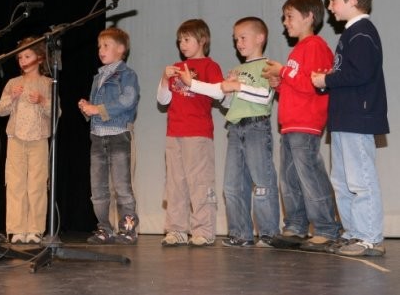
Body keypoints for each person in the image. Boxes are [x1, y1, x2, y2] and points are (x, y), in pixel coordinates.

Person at [180, 17, 279, 248]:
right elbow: (226, 103)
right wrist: (227, 90)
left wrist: (238, 87)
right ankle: (240, 233)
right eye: (236, 40)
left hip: (256, 127)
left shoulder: (268, 66)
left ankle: (268, 233)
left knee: (262, 182)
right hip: (235, 129)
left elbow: (265, 98)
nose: (239, 44)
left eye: (243, 38)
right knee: (232, 185)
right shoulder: (237, 69)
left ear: (260, 38)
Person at [311, 0, 388, 257]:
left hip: (359, 118)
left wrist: (326, 80)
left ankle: (369, 237)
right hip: (344, 119)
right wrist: (330, 76)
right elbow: (349, 72)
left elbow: (361, 72)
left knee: (360, 179)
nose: (329, 7)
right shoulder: (350, 34)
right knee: (342, 181)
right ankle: (353, 232)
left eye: (332, 1)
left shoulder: (363, 32)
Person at [261, 0, 341, 251]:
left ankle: (327, 228)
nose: (285, 22)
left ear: (309, 17)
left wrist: (283, 71)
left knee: (310, 176)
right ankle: (296, 225)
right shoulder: (298, 50)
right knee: (290, 178)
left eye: (290, 16)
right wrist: (280, 83)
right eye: (284, 17)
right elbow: (297, 86)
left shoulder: (316, 46)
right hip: (291, 123)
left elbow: (313, 84)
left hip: (306, 123)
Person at [156, 19, 223, 247]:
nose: (182, 44)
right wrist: (165, 79)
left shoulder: (209, 66)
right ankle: (177, 229)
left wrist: (191, 83)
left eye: (187, 39)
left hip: (198, 133)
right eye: (179, 40)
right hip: (174, 132)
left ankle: (204, 230)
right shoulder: (176, 66)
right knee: (175, 183)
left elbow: (219, 94)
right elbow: (162, 100)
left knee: (200, 183)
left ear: (202, 39)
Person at [78, 27, 140, 245]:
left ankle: (128, 229)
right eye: (99, 47)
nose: (100, 50)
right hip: (97, 137)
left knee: (122, 187)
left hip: (118, 135)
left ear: (121, 49)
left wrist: (98, 109)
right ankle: (104, 228)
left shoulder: (127, 74)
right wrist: (87, 107)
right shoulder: (99, 77)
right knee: (98, 189)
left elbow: (127, 101)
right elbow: (96, 108)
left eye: (106, 46)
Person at [0, 37, 60, 245]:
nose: (23, 60)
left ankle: (35, 229)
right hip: (15, 139)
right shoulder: (13, 83)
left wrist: (42, 101)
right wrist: (11, 98)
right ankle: (16, 229)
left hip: (39, 139)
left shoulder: (48, 83)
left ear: (40, 58)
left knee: (37, 184)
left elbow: (56, 112)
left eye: (27, 56)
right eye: (20, 57)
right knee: (15, 184)